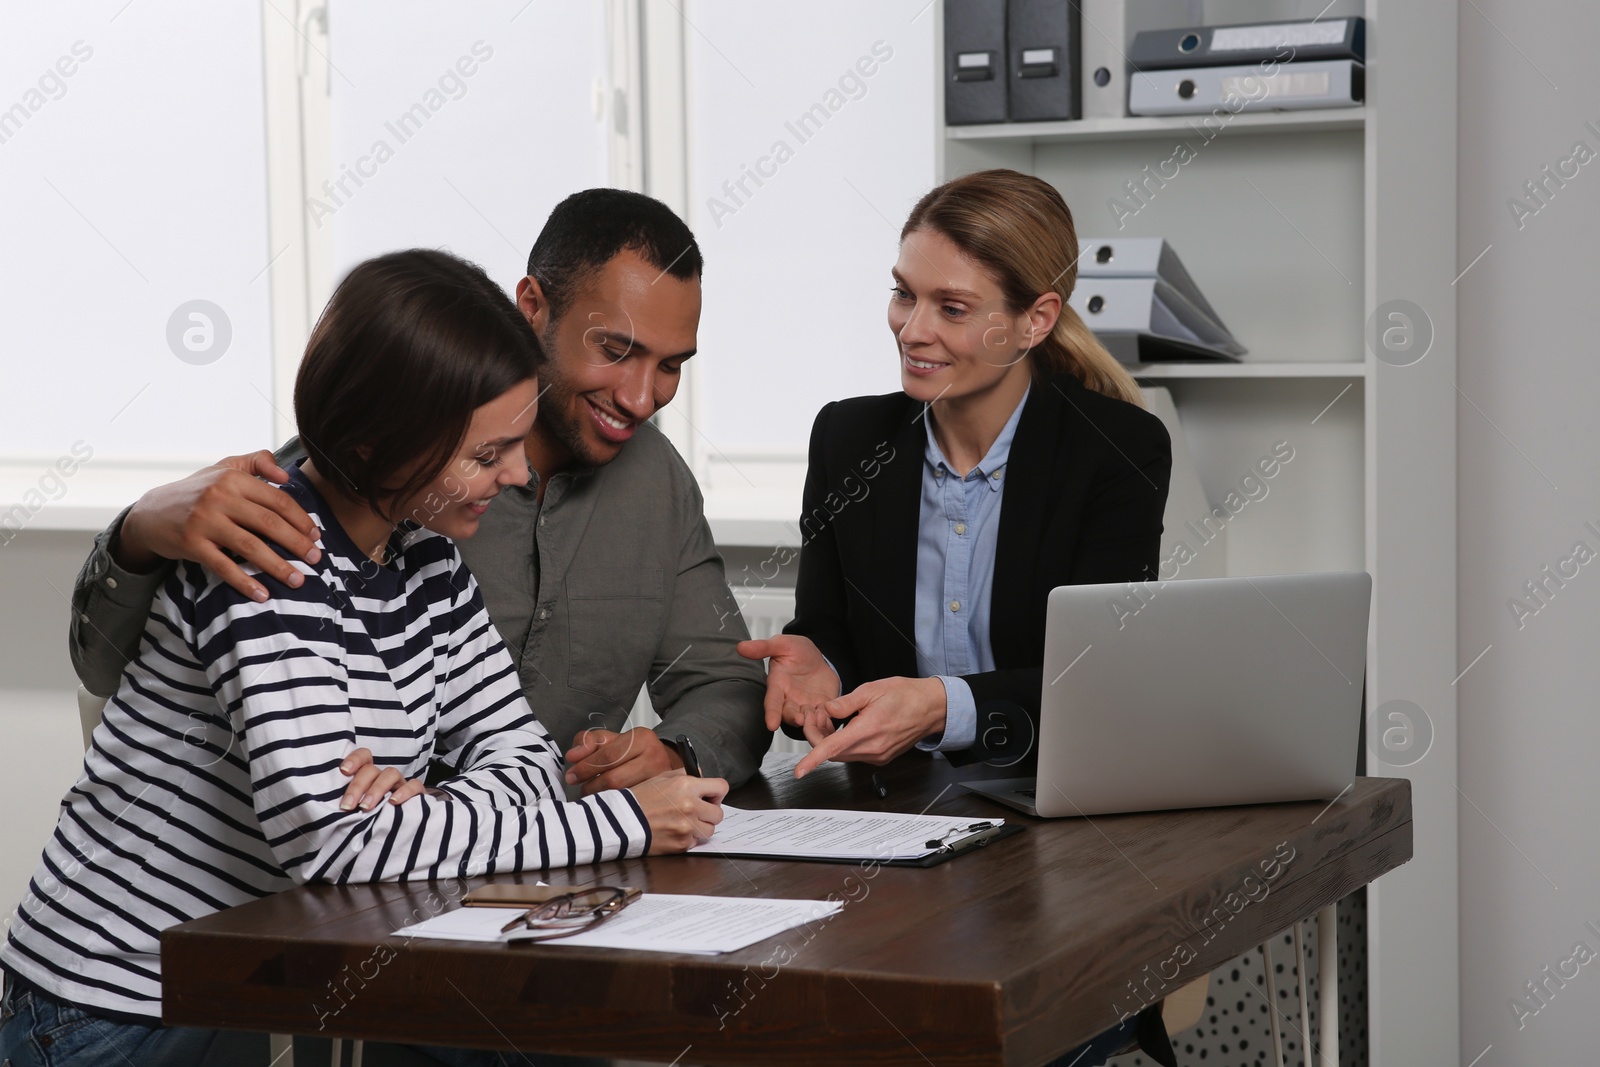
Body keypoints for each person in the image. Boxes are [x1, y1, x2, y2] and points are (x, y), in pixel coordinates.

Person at [0, 249, 726, 1066]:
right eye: (488, 455)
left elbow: (528, 764)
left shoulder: (431, 565)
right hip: (111, 1002)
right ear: (387, 447)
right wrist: (622, 821)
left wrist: (413, 811)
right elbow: (335, 844)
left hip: (222, 982)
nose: (519, 475)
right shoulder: (270, 557)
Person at [67, 189, 770, 794]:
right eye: (615, 350)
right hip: (347, 885)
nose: (644, 396)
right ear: (532, 306)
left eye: (671, 365)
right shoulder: (388, 471)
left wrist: (672, 753)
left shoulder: (659, 487)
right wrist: (138, 532)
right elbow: (119, 670)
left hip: (514, 867)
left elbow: (725, 684)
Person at [737, 168, 1176, 1064]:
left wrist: (945, 706)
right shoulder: (848, 438)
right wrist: (812, 663)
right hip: (883, 830)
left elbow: (1092, 686)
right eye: (903, 294)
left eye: (952, 305)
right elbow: (826, 626)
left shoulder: (1117, 451)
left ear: (1035, 321)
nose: (914, 329)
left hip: (1052, 838)